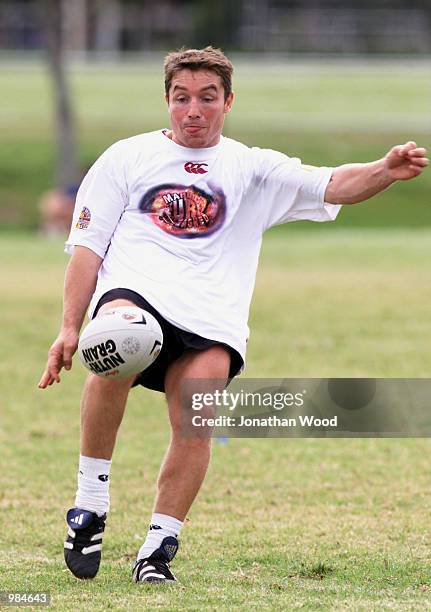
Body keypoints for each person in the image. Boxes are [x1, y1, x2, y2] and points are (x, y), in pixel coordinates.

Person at [38, 47, 429, 583]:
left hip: (210, 316)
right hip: (136, 293)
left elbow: (332, 183)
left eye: (206, 98)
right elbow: (87, 247)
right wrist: (69, 324)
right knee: (115, 348)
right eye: (181, 99)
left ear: (228, 102)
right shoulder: (126, 159)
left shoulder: (251, 167)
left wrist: (384, 170)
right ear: (167, 101)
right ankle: (89, 505)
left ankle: (157, 549)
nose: (192, 110)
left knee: (197, 420)